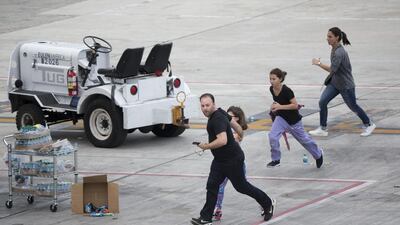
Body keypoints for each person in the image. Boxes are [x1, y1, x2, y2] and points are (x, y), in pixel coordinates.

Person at [191, 93, 275, 225]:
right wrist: (239, 135)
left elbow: (223, 140)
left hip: (232, 160)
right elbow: (237, 126)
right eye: (202, 106)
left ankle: (267, 203)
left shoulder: (217, 119)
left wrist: (206, 146)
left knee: (242, 187)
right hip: (220, 160)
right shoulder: (221, 112)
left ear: (214, 104)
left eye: (207, 105)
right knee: (212, 185)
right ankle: (206, 218)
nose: (205, 108)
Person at [309, 27, 376, 137]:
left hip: (345, 85)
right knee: (322, 101)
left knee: (353, 106)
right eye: (327, 36)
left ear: (337, 38)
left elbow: (332, 70)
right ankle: (323, 128)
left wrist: (318, 63)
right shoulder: (334, 48)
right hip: (335, 83)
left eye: (330, 37)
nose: (327, 39)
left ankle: (369, 124)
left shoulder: (339, 52)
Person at [267, 68, 323, 168]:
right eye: (270, 79)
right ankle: (276, 159)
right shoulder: (271, 89)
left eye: (274, 79)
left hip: (294, 121)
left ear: (280, 79)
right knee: (272, 136)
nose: (271, 81)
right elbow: (278, 102)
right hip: (281, 118)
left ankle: (318, 154)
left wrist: (280, 107)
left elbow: (295, 105)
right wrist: (274, 107)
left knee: (304, 141)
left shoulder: (287, 90)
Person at [213, 106, 248, 221]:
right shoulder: (225, 129)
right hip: (225, 164)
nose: (225, 118)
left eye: (229, 116)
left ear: (236, 119)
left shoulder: (238, 132)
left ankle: (264, 201)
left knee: (244, 188)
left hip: (236, 165)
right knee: (219, 186)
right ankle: (217, 209)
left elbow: (229, 139)